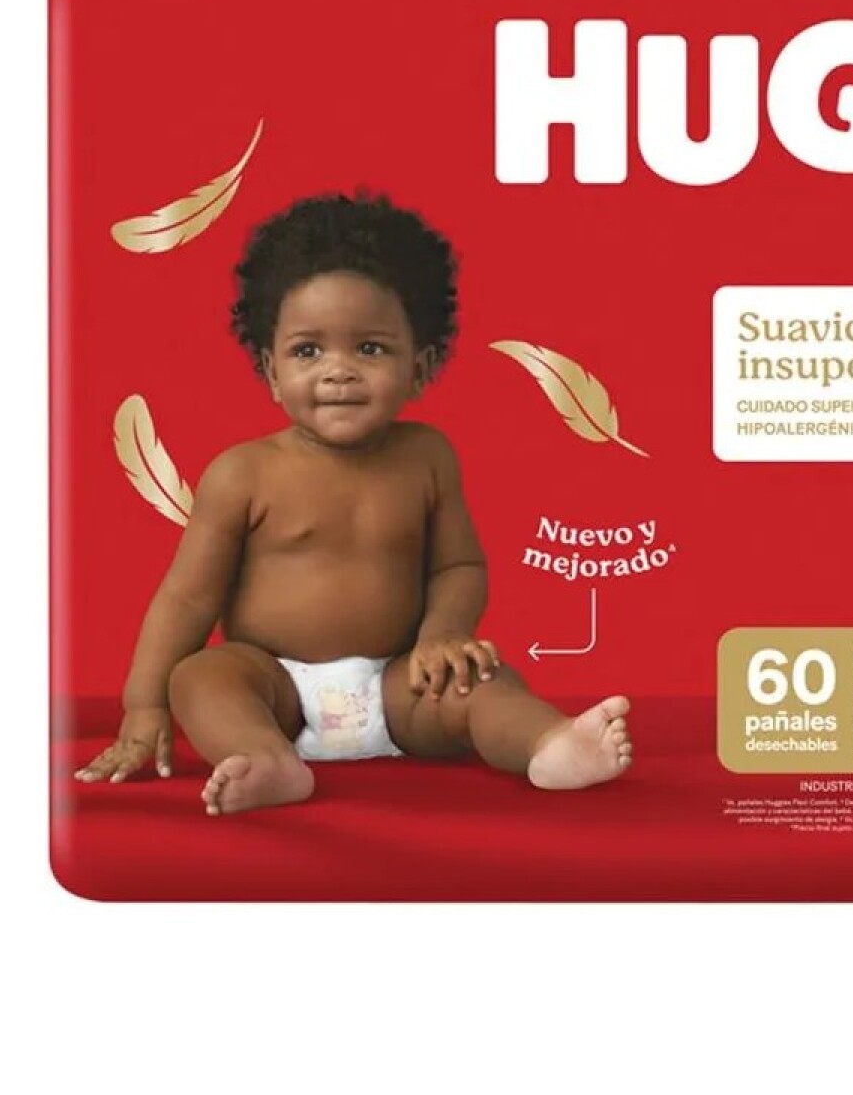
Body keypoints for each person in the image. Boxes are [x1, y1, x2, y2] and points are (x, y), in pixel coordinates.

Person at [76, 192, 632, 815]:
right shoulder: (242, 474)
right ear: (270, 371)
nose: (338, 371)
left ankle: (549, 744)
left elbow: (459, 567)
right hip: (276, 689)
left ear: (420, 366)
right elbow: (187, 599)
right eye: (307, 351)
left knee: (481, 679)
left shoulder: (427, 457)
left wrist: (443, 635)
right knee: (201, 678)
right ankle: (267, 760)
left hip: (401, 686)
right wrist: (144, 705)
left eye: (369, 348)